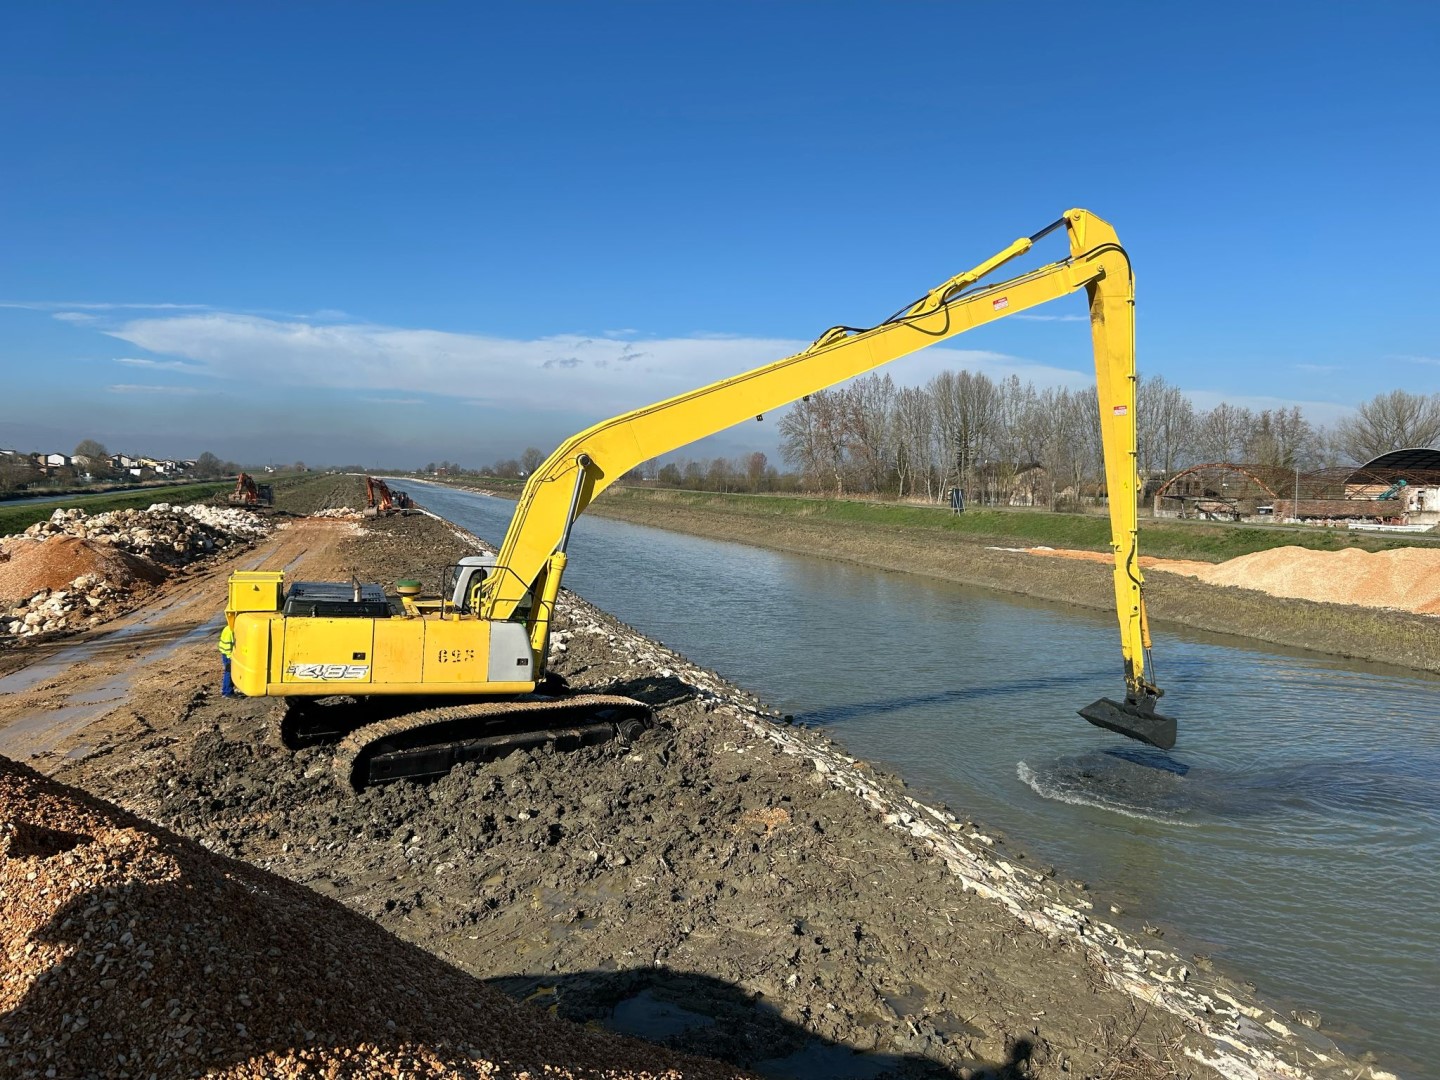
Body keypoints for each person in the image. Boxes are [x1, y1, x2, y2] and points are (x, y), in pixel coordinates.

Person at [219, 620, 237, 697]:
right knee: (229, 673)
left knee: (229, 672)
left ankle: (228, 691)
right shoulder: (230, 631)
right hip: (228, 656)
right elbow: (227, 646)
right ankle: (227, 692)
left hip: (226, 654)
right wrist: (230, 657)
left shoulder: (228, 629)